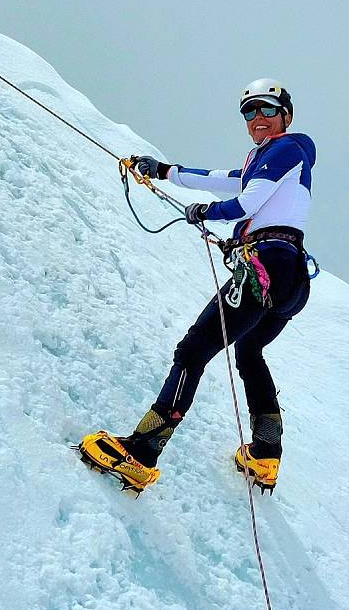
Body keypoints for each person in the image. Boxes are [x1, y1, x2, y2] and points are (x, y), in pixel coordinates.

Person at [78, 79, 316, 493]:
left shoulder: (286, 149)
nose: (258, 119)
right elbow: (221, 178)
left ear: (286, 116)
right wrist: (166, 172)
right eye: (250, 112)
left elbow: (245, 202)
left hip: (266, 265)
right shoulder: (266, 161)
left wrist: (205, 213)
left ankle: (142, 453)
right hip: (291, 277)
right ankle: (265, 454)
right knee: (249, 351)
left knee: (193, 351)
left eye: (267, 110)